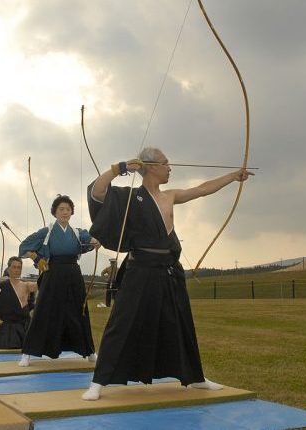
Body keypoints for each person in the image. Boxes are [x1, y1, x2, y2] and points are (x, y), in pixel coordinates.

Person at [81, 147, 253, 400]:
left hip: (169, 270)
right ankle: (98, 382)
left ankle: (195, 377)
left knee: (181, 322)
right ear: (150, 167)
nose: (170, 168)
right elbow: (97, 192)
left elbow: (201, 189)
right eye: (166, 163)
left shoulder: (169, 196)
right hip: (140, 269)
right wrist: (118, 169)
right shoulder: (130, 197)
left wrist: (232, 176)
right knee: (122, 321)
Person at [17, 195, 100, 367]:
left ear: (72, 212)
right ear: (55, 212)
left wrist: (94, 241)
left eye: (68, 209)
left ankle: (89, 351)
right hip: (52, 273)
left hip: (73, 274)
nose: (65, 212)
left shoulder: (77, 232)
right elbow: (24, 247)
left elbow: (89, 239)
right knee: (43, 311)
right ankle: (27, 352)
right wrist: (37, 257)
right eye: (61, 209)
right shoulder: (46, 232)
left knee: (79, 310)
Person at [0, 257, 37, 349]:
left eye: (19, 267)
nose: (17, 270)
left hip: (24, 328)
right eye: (14, 267)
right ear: (8, 268)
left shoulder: (26, 285)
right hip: (7, 329)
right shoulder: (0, 287)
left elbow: (41, 284)